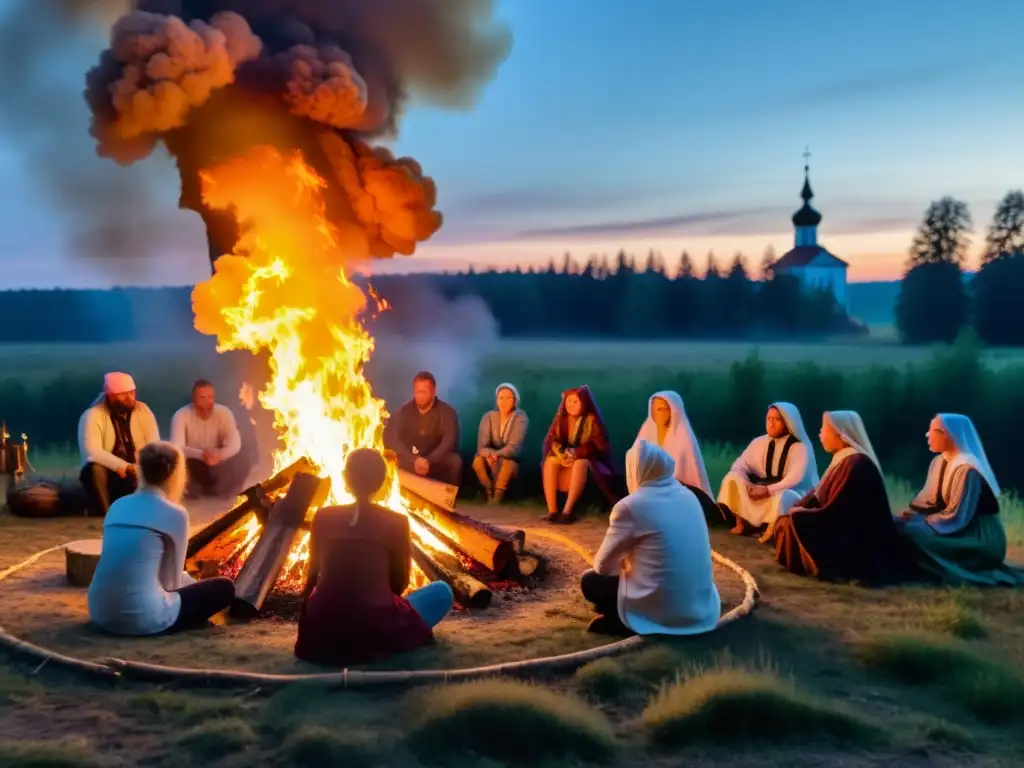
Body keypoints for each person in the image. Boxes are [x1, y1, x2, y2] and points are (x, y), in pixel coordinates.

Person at [294, 448, 455, 665]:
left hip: (321, 632)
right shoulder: (397, 522)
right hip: (376, 627)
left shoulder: (322, 517)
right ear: (382, 482)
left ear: (345, 479)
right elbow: (398, 584)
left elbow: (311, 577)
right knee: (442, 591)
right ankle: (390, 634)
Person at [87, 442, 235, 635]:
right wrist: (196, 584)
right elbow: (171, 584)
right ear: (174, 473)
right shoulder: (175, 513)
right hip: (141, 618)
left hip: (100, 612)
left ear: (139, 468)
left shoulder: (117, 505)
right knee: (224, 588)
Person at [581, 440, 720, 636]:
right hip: (697, 605)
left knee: (590, 581)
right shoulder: (688, 496)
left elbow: (603, 566)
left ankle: (625, 621)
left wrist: (625, 565)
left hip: (661, 603)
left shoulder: (630, 506)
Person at [773, 411, 909, 584]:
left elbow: (841, 509)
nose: (820, 433)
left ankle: (829, 567)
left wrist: (803, 512)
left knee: (798, 519)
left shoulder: (857, 463)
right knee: (789, 517)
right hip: (840, 522)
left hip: (854, 533)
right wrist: (801, 505)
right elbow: (819, 493)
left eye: (825, 429)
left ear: (841, 433)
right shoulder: (842, 458)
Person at [895, 414, 1023, 586]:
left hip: (978, 534)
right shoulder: (939, 462)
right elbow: (928, 499)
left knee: (915, 533)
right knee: (899, 524)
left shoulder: (967, 469)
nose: (928, 435)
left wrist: (920, 523)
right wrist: (909, 515)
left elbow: (957, 517)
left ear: (952, 435)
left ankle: (942, 572)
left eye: (934, 431)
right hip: (951, 523)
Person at [717, 402, 819, 542]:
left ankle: (771, 531)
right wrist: (748, 484)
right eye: (769, 419)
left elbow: (795, 478)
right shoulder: (759, 442)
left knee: (784, 497)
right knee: (732, 478)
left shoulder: (801, 447)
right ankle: (742, 524)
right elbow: (739, 466)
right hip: (759, 489)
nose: (771, 424)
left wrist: (767, 490)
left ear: (788, 422)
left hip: (787, 491)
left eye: (777, 420)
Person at [78, 371, 160, 517]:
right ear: (111, 395)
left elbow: (154, 445)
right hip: (109, 472)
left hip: (136, 471)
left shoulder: (144, 411)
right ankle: (105, 515)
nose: (129, 398)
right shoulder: (92, 415)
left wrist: (136, 467)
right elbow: (92, 451)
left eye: (132, 393)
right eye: (123, 394)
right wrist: (122, 466)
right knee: (94, 470)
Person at [541, 385, 617, 523]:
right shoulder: (562, 419)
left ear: (583, 402)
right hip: (566, 456)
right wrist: (561, 454)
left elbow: (598, 445)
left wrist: (577, 453)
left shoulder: (591, 420)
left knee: (579, 464)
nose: (571, 405)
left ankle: (567, 511)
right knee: (550, 461)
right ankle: (552, 511)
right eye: (568, 401)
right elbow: (554, 439)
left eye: (575, 401)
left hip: (588, 459)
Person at [633, 390, 718, 513]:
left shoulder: (683, 438)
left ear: (673, 410)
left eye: (663, 409)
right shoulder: (646, 434)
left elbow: (684, 474)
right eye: (655, 409)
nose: (658, 414)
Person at [170, 379, 252, 499]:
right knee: (175, 459)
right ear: (193, 400)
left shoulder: (224, 413)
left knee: (244, 455)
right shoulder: (181, 415)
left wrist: (220, 454)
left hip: (219, 464)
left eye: (210, 397)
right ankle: (195, 490)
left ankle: (226, 492)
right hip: (195, 464)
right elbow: (177, 447)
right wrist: (203, 455)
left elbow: (235, 442)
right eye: (202, 397)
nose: (207, 402)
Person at [383, 371, 462, 486]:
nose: (420, 396)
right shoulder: (404, 411)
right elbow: (392, 438)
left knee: (455, 461)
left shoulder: (448, 412)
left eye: (424, 392)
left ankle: (447, 498)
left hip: (434, 462)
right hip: (410, 461)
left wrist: (429, 461)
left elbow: (449, 442)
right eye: (418, 392)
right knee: (388, 457)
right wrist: (413, 460)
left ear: (434, 392)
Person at [472, 383, 529, 504]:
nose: (504, 401)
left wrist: (496, 454)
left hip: (512, 462)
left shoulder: (520, 418)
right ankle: (488, 490)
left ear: (515, 401)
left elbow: (514, 447)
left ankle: (498, 496)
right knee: (478, 460)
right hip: (492, 460)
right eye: (501, 398)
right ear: (496, 400)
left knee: (508, 463)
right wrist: (490, 454)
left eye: (509, 398)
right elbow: (482, 446)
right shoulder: (488, 417)